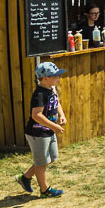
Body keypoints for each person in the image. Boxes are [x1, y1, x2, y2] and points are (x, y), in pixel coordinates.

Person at [17, 62, 68, 198]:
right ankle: (45, 190)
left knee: (51, 157)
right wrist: (54, 126)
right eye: (54, 76)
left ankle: (25, 177)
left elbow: (56, 103)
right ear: (45, 78)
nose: (57, 78)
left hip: (48, 131)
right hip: (37, 133)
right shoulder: (39, 94)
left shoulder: (52, 89)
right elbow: (36, 115)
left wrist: (61, 115)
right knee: (42, 163)